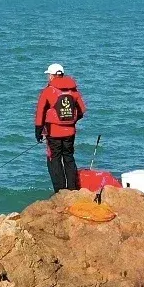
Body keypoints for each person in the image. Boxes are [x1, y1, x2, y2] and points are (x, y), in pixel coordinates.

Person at [34, 63, 87, 191]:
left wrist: (38, 131)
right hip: (70, 132)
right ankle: (72, 189)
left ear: (52, 76)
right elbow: (82, 110)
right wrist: (72, 122)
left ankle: (60, 191)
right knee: (69, 158)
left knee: (54, 159)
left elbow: (40, 112)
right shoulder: (74, 91)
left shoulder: (48, 91)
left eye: (49, 75)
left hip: (53, 132)